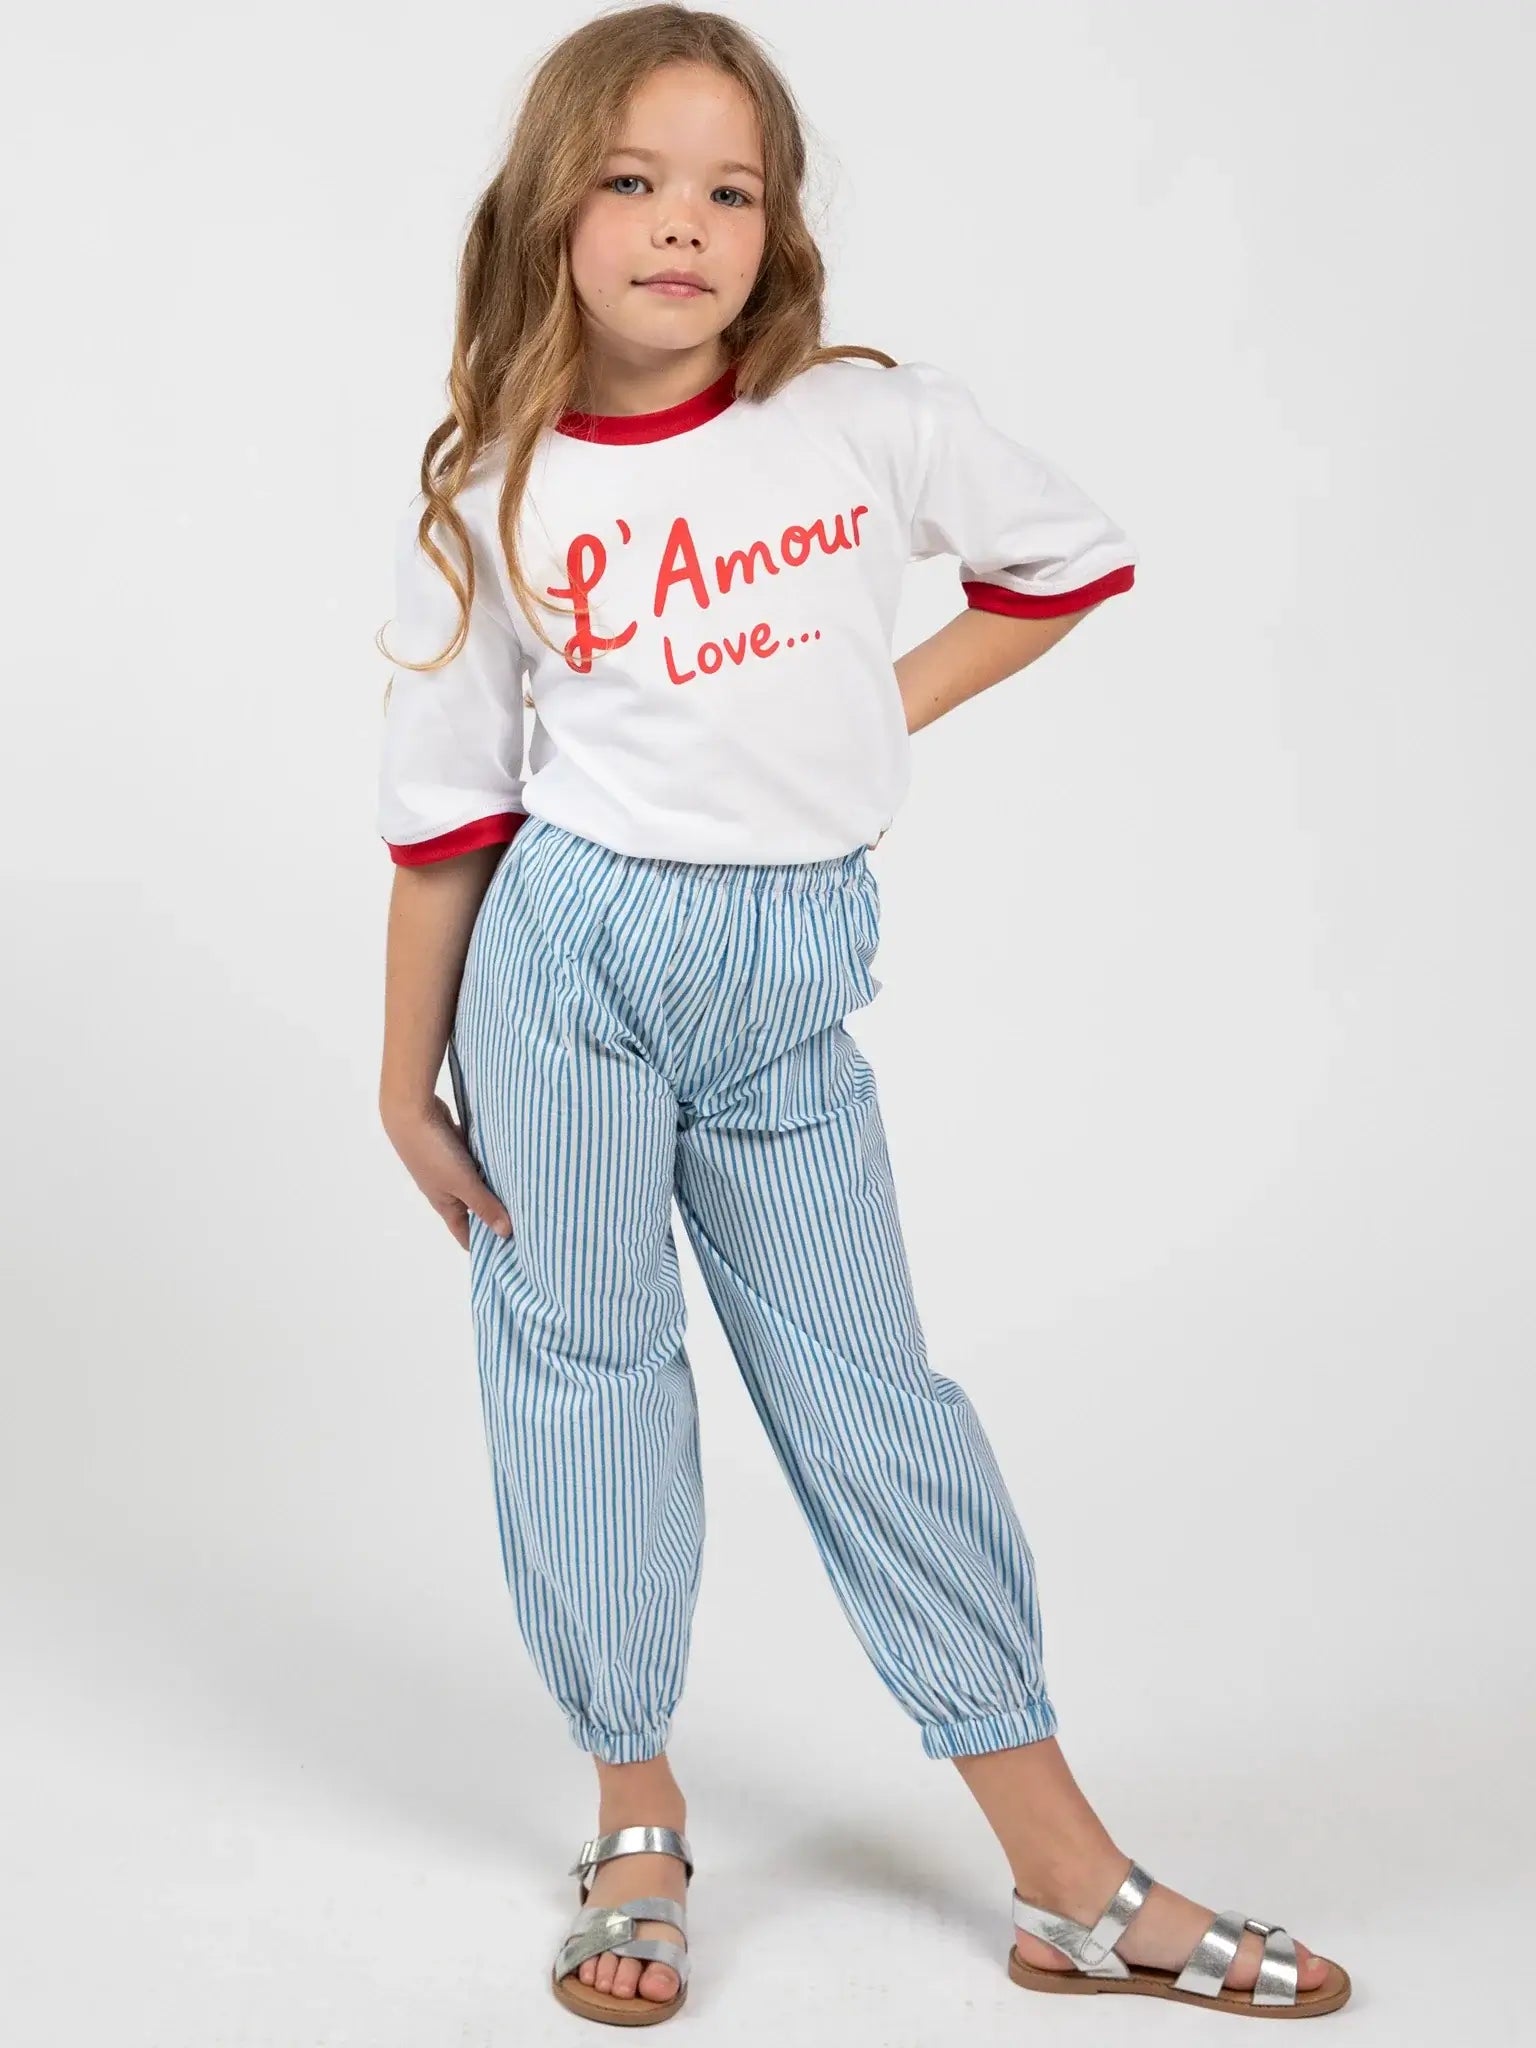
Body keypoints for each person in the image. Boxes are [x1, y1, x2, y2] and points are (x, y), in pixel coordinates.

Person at [375, 3, 1351, 2027]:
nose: (682, 225)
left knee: (871, 1397)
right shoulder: (504, 487)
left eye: (731, 188)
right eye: (632, 181)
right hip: (565, 969)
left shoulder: (859, 424)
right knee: (586, 1372)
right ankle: (633, 1809)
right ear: (552, 210)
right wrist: (405, 1075)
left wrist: (851, 723)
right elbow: (448, 809)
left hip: (781, 985)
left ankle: (1066, 1875)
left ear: (780, 227)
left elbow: (1062, 562)